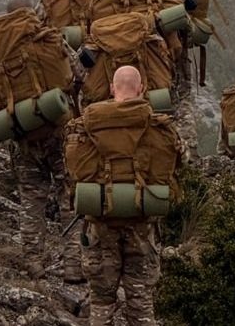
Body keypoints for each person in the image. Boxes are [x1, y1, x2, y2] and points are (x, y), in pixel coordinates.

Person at [84, 65, 177, 325]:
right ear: (142, 89)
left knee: (101, 301)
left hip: (101, 223)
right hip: (141, 224)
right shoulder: (157, 125)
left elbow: (75, 171)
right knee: (141, 301)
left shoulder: (90, 123)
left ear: (112, 88)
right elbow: (176, 166)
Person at [4, 0, 85, 284]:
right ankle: (74, 266)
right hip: (60, 132)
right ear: (33, 14)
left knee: (31, 201)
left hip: (24, 137)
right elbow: (77, 75)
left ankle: (33, 263)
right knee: (69, 196)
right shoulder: (50, 40)